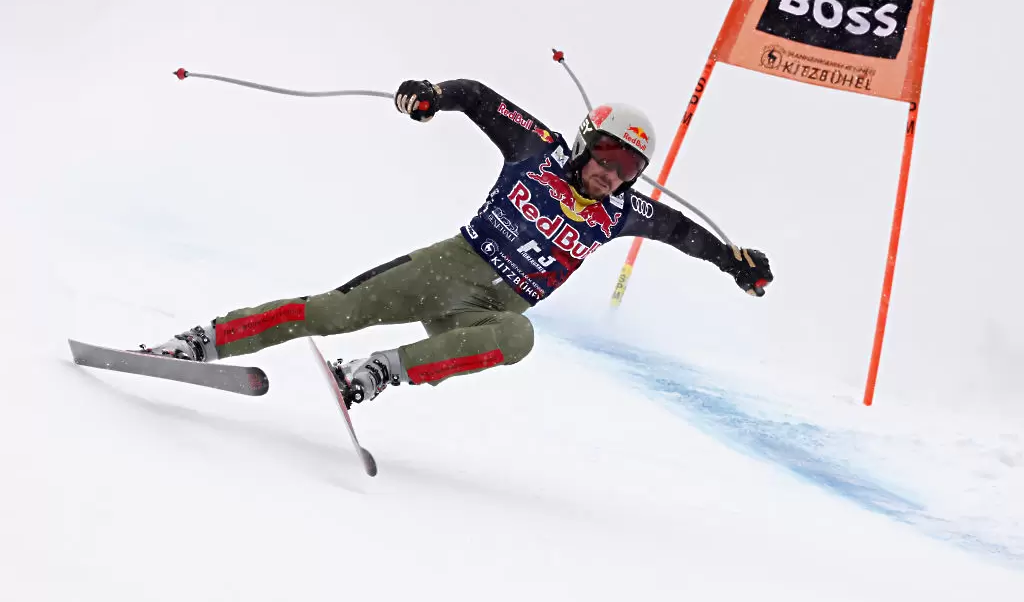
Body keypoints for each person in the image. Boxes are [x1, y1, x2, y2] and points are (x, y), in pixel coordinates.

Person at [143, 79, 774, 406]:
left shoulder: (621, 212)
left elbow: (685, 234)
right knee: (332, 311)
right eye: (608, 154)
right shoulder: (538, 151)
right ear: (586, 142)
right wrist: (432, 97)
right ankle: (201, 342)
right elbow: (476, 97)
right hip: (448, 268)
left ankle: (376, 372)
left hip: (492, 311)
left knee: (520, 341)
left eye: (628, 167)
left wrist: (733, 263)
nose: (612, 173)